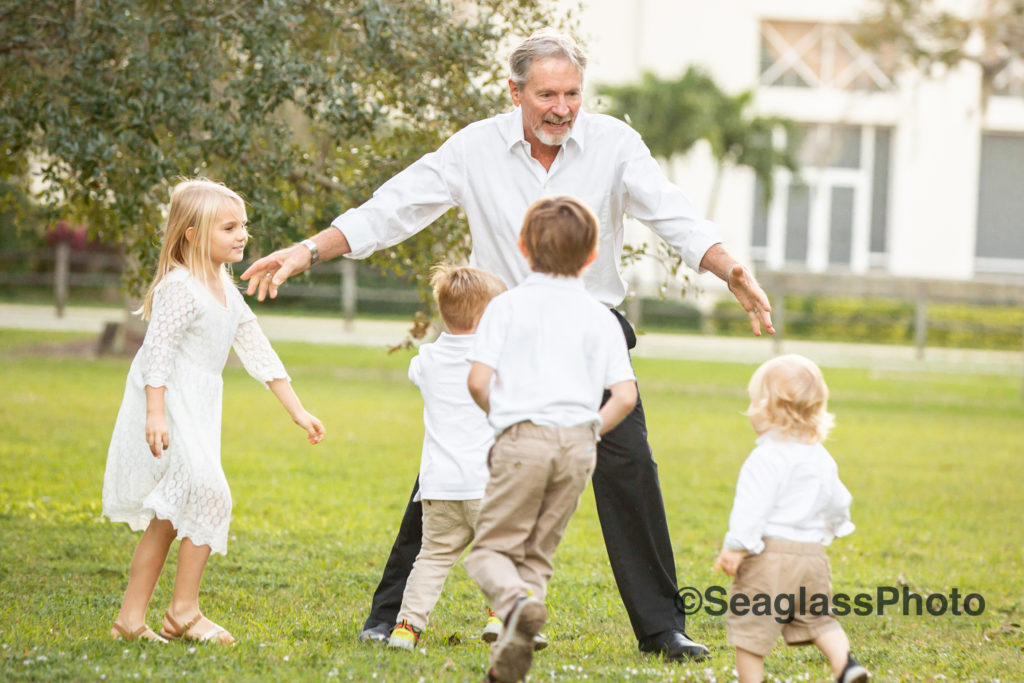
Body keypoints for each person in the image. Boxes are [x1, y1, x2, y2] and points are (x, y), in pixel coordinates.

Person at [241, 29, 775, 660]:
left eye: (573, 93)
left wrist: (728, 267)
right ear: (515, 91)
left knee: (630, 470)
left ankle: (662, 629)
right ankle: (389, 616)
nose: (562, 107)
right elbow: (393, 208)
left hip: (588, 330)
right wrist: (307, 251)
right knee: (449, 470)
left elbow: (673, 212)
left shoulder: (613, 143)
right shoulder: (474, 149)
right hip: (501, 332)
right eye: (547, 93)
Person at [102, 178, 325, 645]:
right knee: (211, 493)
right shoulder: (180, 288)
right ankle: (183, 611)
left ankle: (131, 619)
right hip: (167, 400)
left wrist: (297, 411)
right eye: (229, 227)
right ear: (192, 234)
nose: (242, 235)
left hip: (199, 403)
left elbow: (256, 349)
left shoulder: (223, 286)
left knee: (171, 513)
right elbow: (156, 353)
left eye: (243, 225)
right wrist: (155, 414)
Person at [464, 195, 639, 683]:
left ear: (523, 247)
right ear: (590, 256)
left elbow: (478, 381)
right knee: (538, 554)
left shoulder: (506, 307)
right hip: (579, 446)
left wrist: (506, 418)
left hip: (523, 439)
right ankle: (511, 653)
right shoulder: (602, 318)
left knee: (489, 553)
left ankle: (514, 603)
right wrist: (590, 429)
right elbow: (624, 394)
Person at [713, 354, 869, 683]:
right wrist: (834, 530)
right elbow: (839, 501)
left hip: (769, 557)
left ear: (772, 409)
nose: (750, 409)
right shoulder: (821, 457)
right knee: (821, 621)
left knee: (750, 632)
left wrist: (735, 546)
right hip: (812, 557)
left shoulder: (765, 457)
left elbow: (752, 506)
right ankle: (846, 665)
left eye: (755, 401)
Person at [385, 264, 507, 650]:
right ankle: (500, 616)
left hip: (439, 487)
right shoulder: (496, 361)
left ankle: (406, 627)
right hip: (488, 484)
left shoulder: (427, 359)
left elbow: (415, 370)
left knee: (432, 559)